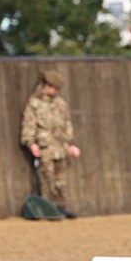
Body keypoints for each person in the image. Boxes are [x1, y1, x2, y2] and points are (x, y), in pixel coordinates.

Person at [20, 69, 82, 219]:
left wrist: (70, 144)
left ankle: (61, 208)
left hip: (60, 148)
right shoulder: (34, 104)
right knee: (47, 179)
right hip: (45, 148)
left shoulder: (60, 104)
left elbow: (66, 124)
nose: (55, 91)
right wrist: (30, 143)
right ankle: (49, 209)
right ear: (45, 86)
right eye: (53, 87)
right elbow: (29, 125)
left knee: (61, 181)